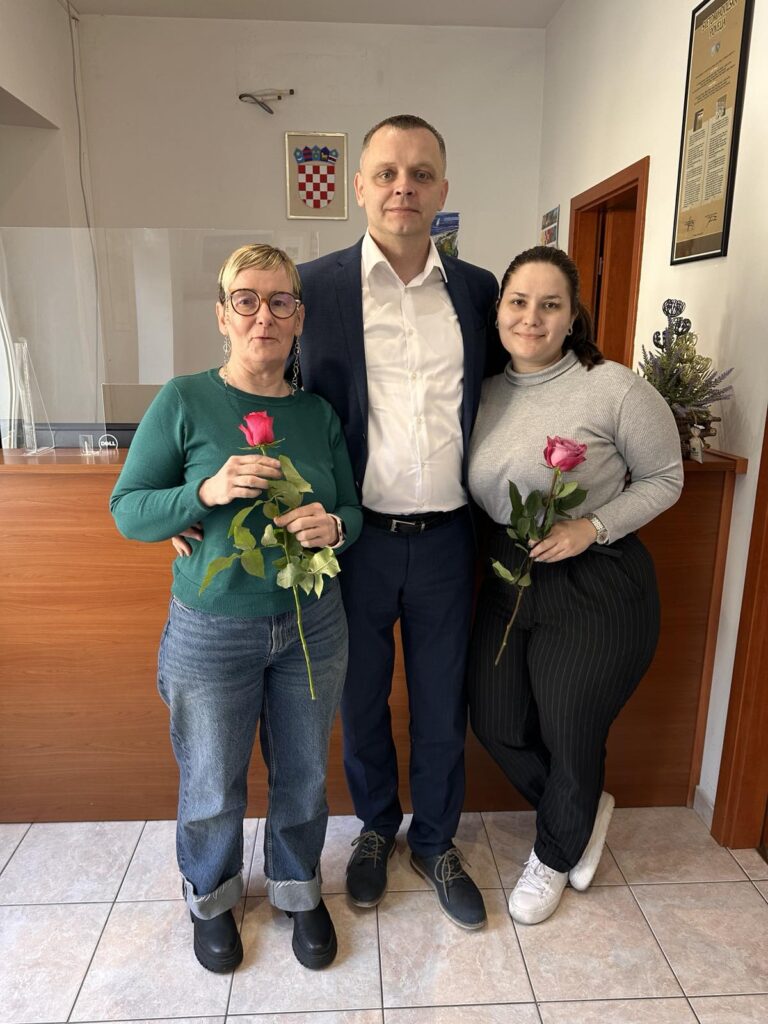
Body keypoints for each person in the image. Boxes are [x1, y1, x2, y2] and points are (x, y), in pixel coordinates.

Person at [111, 244, 362, 973]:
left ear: (299, 318)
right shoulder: (185, 399)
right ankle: (212, 897)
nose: (264, 316)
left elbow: (352, 510)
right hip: (212, 628)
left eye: (281, 301)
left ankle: (296, 887)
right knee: (211, 780)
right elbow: (129, 509)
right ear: (222, 315)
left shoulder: (316, 414)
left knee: (304, 774)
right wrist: (202, 494)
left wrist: (334, 526)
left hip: (312, 625)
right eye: (246, 300)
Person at [297, 114, 503, 929]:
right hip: (357, 541)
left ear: (443, 189)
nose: (402, 188)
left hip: (450, 539)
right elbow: (258, 387)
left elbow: (515, 387)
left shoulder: (478, 291)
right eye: (386, 173)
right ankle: (378, 829)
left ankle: (437, 840)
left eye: (420, 174)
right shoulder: (314, 288)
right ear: (359, 187)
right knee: (361, 701)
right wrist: (201, 486)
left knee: (442, 703)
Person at [467, 245, 684, 925]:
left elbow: (666, 478)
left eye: (550, 305)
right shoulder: (484, 390)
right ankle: (582, 808)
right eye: (518, 302)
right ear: (498, 310)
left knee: (570, 729)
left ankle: (556, 853)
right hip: (509, 573)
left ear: (572, 317)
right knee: (495, 721)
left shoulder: (614, 388)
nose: (531, 317)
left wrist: (592, 527)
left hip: (595, 581)